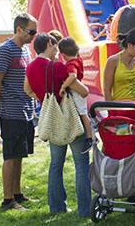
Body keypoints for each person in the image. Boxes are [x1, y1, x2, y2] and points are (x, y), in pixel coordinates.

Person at [24, 33, 91, 217]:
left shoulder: (30, 67)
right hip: (71, 120)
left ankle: (57, 207)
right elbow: (83, 91)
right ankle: (85, 210)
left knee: (55, 164)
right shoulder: (58, 67)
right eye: (55, 46)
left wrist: (43, 98)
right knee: (81, 164)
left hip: (52, 121)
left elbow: (27, 89)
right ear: (48, 44)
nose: (57, 50)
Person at [0, 13, 37, 211]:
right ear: (19, 29)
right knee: (10, 156)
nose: (34, 36)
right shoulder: (5, 50)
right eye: (31, 31)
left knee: (19, 154)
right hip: (10, 112)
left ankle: (17, 194)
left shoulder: (25, 51)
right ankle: (8, 200)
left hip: (25, 111)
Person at [57, 37, 93, 139]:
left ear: (63, 55)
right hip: (79, 87)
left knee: (82, 113)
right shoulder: (78, 59)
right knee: (82, 112)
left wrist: (63, 86)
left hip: (77, 91)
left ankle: (89, 135)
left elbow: (73, 76)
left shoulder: (71, 64)